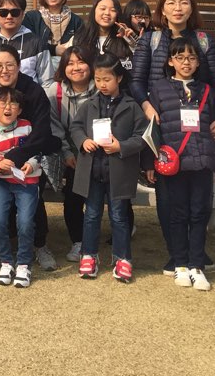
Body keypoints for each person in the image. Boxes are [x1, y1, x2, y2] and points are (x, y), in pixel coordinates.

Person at [130, 0, 215, 274]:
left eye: (183, 2)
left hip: (200, 127)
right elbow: (136, 81)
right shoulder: (150, 40)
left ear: (191, 8)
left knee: (199, 195)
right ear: (162, 9)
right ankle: (176, 252)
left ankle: (196, 251)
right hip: (163, 122)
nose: (177, 8)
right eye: (171, 3)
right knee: (167, 193)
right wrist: (147, 107)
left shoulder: (204, 40)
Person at [0, 44, 59, 272]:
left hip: (29, 157)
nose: (4, 70)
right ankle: (0, 246)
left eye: (10, 65)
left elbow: (42, 131)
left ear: (19, 66)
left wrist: (17, 156)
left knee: (33, 203)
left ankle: (39, 245)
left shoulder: (33, 91)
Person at [147, 38, 215, 291]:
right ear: (170, 61)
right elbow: (151, 130)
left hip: (202, 161)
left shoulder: (208, 90)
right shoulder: (159, 89)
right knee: (177, 214)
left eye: (191, 58)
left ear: (198, 62)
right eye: (180, 57)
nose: (186, 63)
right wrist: (150, 162)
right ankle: (180, 263)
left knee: (200, 213)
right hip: (174, 163)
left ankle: (196, 264)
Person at [71, 53, 149, 283]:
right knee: (91, 215)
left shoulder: (132, 107)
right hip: (93, 171)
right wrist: (83, 141)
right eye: (98, 79)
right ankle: (88, 255)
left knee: (119, 216)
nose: (102, 84)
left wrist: (121, 146)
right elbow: (75, 128)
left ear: (119, 78)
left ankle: (123, 258)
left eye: (107, 79)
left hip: (119, 172)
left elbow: (142, 137)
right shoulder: (89, 104)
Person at [0, 87, 40, 288]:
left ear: (20, 109)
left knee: (25, 222)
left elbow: (38, 152)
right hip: (2, 182)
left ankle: (23, 264)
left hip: (27, 182)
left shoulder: (28, 127)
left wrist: (31, 164)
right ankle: (6, 262)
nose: (8, 108)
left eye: (13, 103)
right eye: (2, 103)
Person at [45, 46, 97, 262]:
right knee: (74, 198)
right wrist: (66, 152)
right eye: (70, 63)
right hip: (69, 153)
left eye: (81, 62)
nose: (76, 68)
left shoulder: (102, 87)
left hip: (99, 150)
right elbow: (54, 127)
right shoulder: (54, 92)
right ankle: (79, 241)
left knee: (105, 196)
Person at [24, 0, 85, 67]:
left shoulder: (76, 21)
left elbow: (82, 48)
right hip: (38, 68)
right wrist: (54, 49)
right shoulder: (32, 18)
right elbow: (28, 44)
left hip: (68, 68)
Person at [72, 0, 134, 69]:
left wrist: (131, 41)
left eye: (113, 10)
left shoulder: (126, 39)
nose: (107, 13)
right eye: (103, 9)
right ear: (94, 11)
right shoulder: (80, 38)